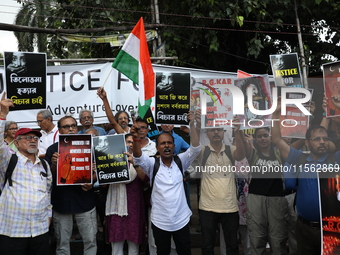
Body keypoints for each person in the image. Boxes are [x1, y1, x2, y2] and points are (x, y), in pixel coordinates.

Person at [271, 103, 340, 255]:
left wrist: (336, 112)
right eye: (317, 139)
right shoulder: (299, 158)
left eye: (325, 139)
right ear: (307, 142)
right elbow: (276, 139)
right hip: (304, 227)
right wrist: (275, 115)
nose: (322, 142)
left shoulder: (335, 159)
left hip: (331, 226)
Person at [132, 111, 201, 255]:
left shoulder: (181, 160)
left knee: (184, 251)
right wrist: (136, 139)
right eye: (162, 143)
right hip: (160, 221)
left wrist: (192, 124)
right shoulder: (152, 164)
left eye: (169, 143)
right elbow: (138, 158)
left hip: (181, 219)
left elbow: (195, 149)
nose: (166, 146)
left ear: (174, 146)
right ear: (157, 148)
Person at [0, 92, 52, 255]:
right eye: (27, 138)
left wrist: (48, 216)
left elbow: (48, 192)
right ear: (16, 142)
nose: (32, 140)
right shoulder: (9, 159)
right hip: (14, 231)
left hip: (40, 231)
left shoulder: (44, 165)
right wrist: (2, 115)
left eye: (35, 138)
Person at [45, 115, 97, 255]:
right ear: (60, 130)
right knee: (62, 244)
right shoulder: (52, 150)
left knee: (90, 241)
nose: (71, 129)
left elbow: (96, 172)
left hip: (84, 200)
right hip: (61, 202)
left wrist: (91, 181)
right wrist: (55, 164)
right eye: (66, 127)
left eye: (73, 125)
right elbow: (49, 178)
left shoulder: (89, 147)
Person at [197, 117, 245, 255]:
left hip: (229, 206)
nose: (216, 132)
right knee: (207, 246)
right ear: (207, 134)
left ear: (224, 132)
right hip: (207, 206)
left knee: (232, 246)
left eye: (219, 129)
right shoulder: (202, 151)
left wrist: (238, 131)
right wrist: (194, 125)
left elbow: (241, 155)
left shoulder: (231, 150)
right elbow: (194, 146)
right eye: (212, 130)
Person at [244, 127, 288, 255]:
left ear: (271, 138)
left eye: (266, 135)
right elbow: (246, 150)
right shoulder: (253, 154)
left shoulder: (280, 153)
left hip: (277, 198)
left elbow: (300, 142)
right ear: (255, 139)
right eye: (259, 136)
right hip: (256, 198)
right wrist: (239, 133)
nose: (263, 138)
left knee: (278, 238)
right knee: (257, 237)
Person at [106, 133, 148, 255]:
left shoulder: (142, 160)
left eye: (131, 142)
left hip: (133, 206)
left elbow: (146, 179)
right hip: (116, 206)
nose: (129, 145)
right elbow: (103, 184)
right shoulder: (110, 159)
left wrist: (134, 162)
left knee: (133, 242)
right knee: (116, 241)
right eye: (127, 142)